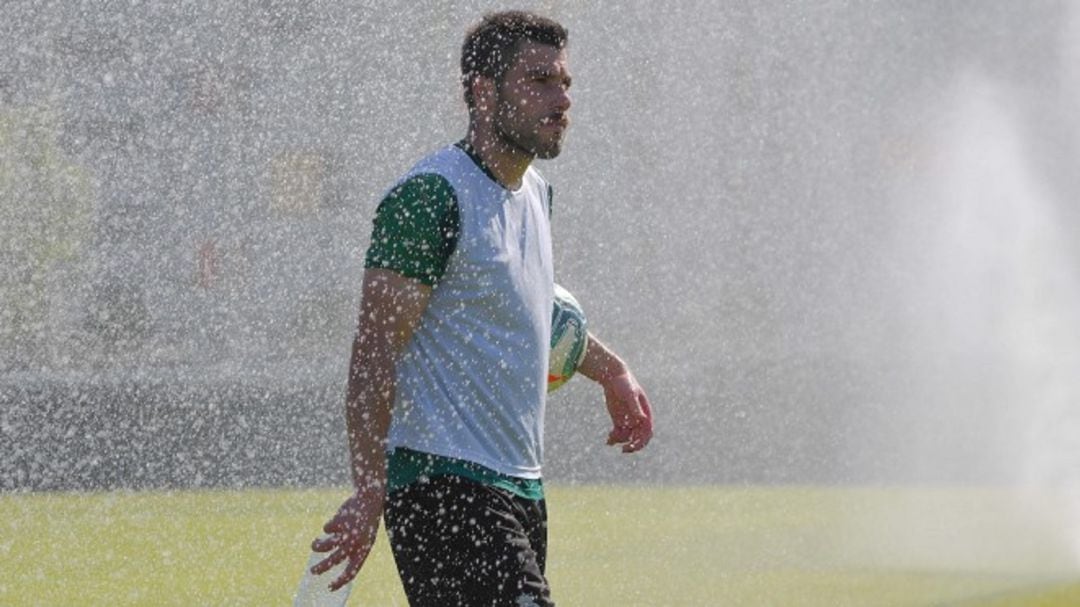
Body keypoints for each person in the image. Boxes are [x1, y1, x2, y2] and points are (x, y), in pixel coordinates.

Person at [310, 10, 653, 606]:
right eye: (540, 80)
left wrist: (611, 370)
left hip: (520, 487)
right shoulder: (430, 197)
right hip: (443, 486)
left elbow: (526, 307)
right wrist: (370, 489)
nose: (562, 98)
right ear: (483, 91)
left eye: (565, 82)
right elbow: (372, 354)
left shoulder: (536, 194)